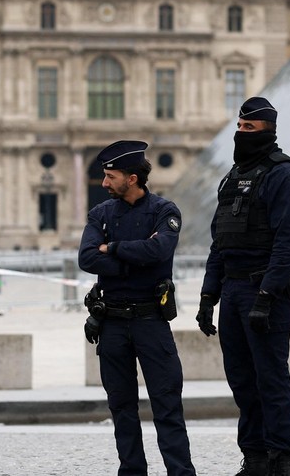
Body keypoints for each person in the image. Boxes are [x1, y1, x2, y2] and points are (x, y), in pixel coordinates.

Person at [197, 97, 290, 476]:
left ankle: (279, 459)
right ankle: (254, 456)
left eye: (249, 129)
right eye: (239, 128)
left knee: (271, 380)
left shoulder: (284, 175)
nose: (241, 134)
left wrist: (266, 295)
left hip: (265, 292)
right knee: (242, 381)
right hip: (233, 291)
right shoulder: (231, 177)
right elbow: (220, 241)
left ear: (268, 132)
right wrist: (208, 295)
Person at [79, 141, 195, 476]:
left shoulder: (164, 210)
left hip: (150, 321)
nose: (104, 183)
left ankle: (181, 473)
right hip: (112, 322)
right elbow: (86, 258)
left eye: (110, 176)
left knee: (167, 404)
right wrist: (135, 260)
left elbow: (159, 250)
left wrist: (112, 248)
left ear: (132, 178)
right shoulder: (100, 213)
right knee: (121, 407)